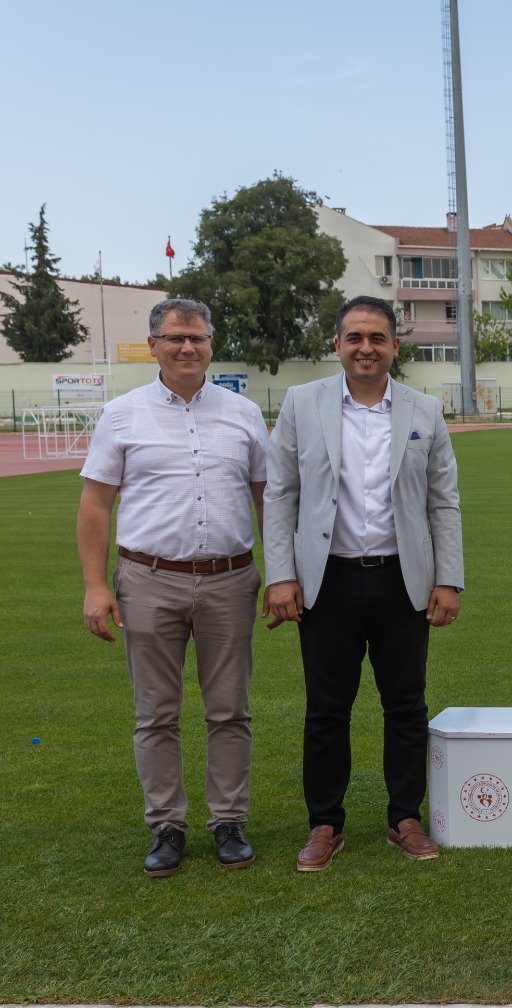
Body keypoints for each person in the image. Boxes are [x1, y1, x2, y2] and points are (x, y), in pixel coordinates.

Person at [263, 295, 464, 872]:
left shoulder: (424, 411)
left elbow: (443, 502)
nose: (366, 348)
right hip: (328, 583)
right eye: (355, 337)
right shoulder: (302, 405)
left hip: (404, 580)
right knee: (327, 710)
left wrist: (448, 579)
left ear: (395, 346)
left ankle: (404, 817)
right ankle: (324, 824)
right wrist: (281, 575)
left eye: (377, 338)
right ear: (337, 345)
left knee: (406, 706)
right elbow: (281, 496)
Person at [76, 298, 268, 876]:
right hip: (147, 580)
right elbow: (95, 504)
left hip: (230, 580)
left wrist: (283, 572)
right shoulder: (122, 414)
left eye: (199, 337)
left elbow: (268, 499)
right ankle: (167, 824)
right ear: (154, 344)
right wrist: (94, 585)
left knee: (229, 709)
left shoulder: (243, 412)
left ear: (212, 344)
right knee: (156, 712)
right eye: (177, 337)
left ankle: (228, 820)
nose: (188, 347)